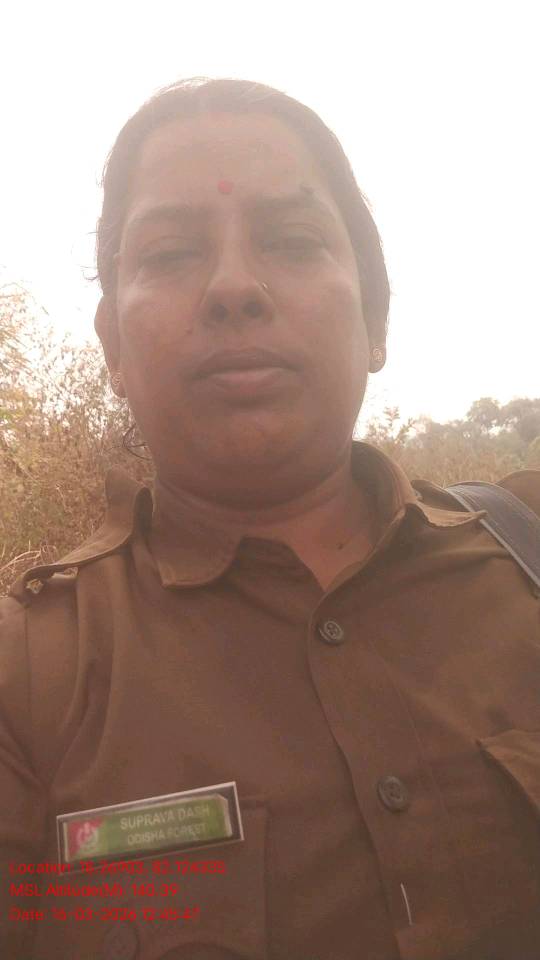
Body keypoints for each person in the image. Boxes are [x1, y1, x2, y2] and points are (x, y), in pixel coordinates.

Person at [1, 77, 539, 960]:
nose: (233, 287)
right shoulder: (24, 681)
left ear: (375, 317)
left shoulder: (526, 564)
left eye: (291, 241)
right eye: (172, 253)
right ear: (112, 346)